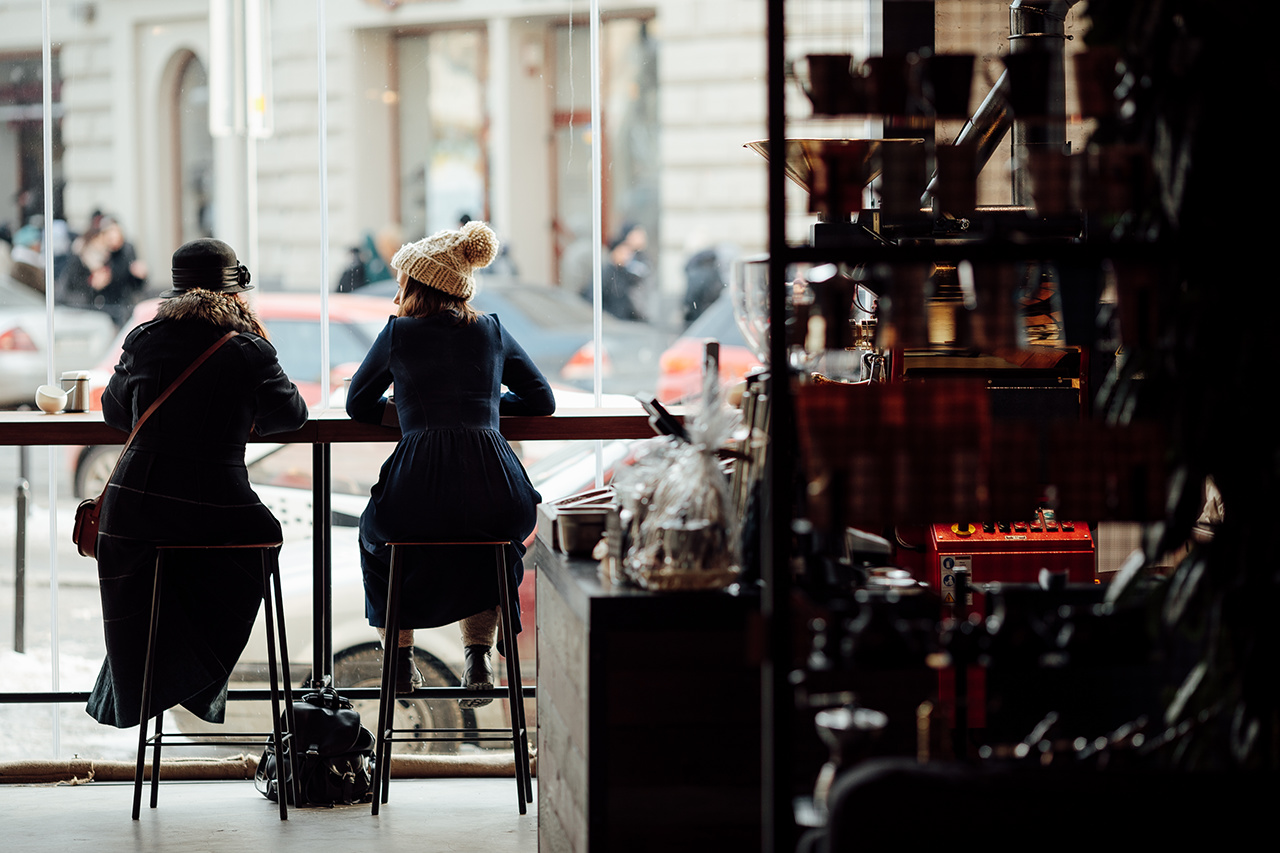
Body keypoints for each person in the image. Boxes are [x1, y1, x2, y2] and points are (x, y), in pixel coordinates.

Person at [87, 238, 309, 729]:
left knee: (169, 579)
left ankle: (160, 676)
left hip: (133, 516)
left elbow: (114, 411)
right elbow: (290, 417)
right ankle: (195, 674)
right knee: (261, 539)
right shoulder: (248, 349)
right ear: (233, 294)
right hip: (213, 507)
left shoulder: (144, 339)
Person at [345, 220, 555, 702]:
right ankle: (479, 657)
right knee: (487, 544)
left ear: (420, 286)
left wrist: (416, 411)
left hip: (418, 485)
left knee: (377, 536)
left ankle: (399, 660)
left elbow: (359, 404)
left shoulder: (399, 334)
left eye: (403, 282)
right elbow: (542, 401)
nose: (397, 294)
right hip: (496, 486)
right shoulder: (491, 330)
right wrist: (483, 409)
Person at [57, 214, 148, 327]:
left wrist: (139, 276)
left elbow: (130, 285)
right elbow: (72, 286)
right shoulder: (81, 255)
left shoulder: (121, 253)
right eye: (106, 234)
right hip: (89, 313)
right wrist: (92, 285)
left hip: (117, 311)